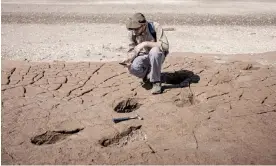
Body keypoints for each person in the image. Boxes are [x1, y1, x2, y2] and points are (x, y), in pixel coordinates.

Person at [121, 12, 169, 94]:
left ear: (143, 25)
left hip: (157, 56)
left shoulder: (154, 26)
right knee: (132, 68)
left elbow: (165, 46)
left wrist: (145, 43)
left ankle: (156, 82)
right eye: (133, 29)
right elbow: (132, 50)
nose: (134, 31)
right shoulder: (132, 32)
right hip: (143, 56)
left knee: (155, 51)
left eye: (136, 29)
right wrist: (129, 60)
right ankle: (147, 76)